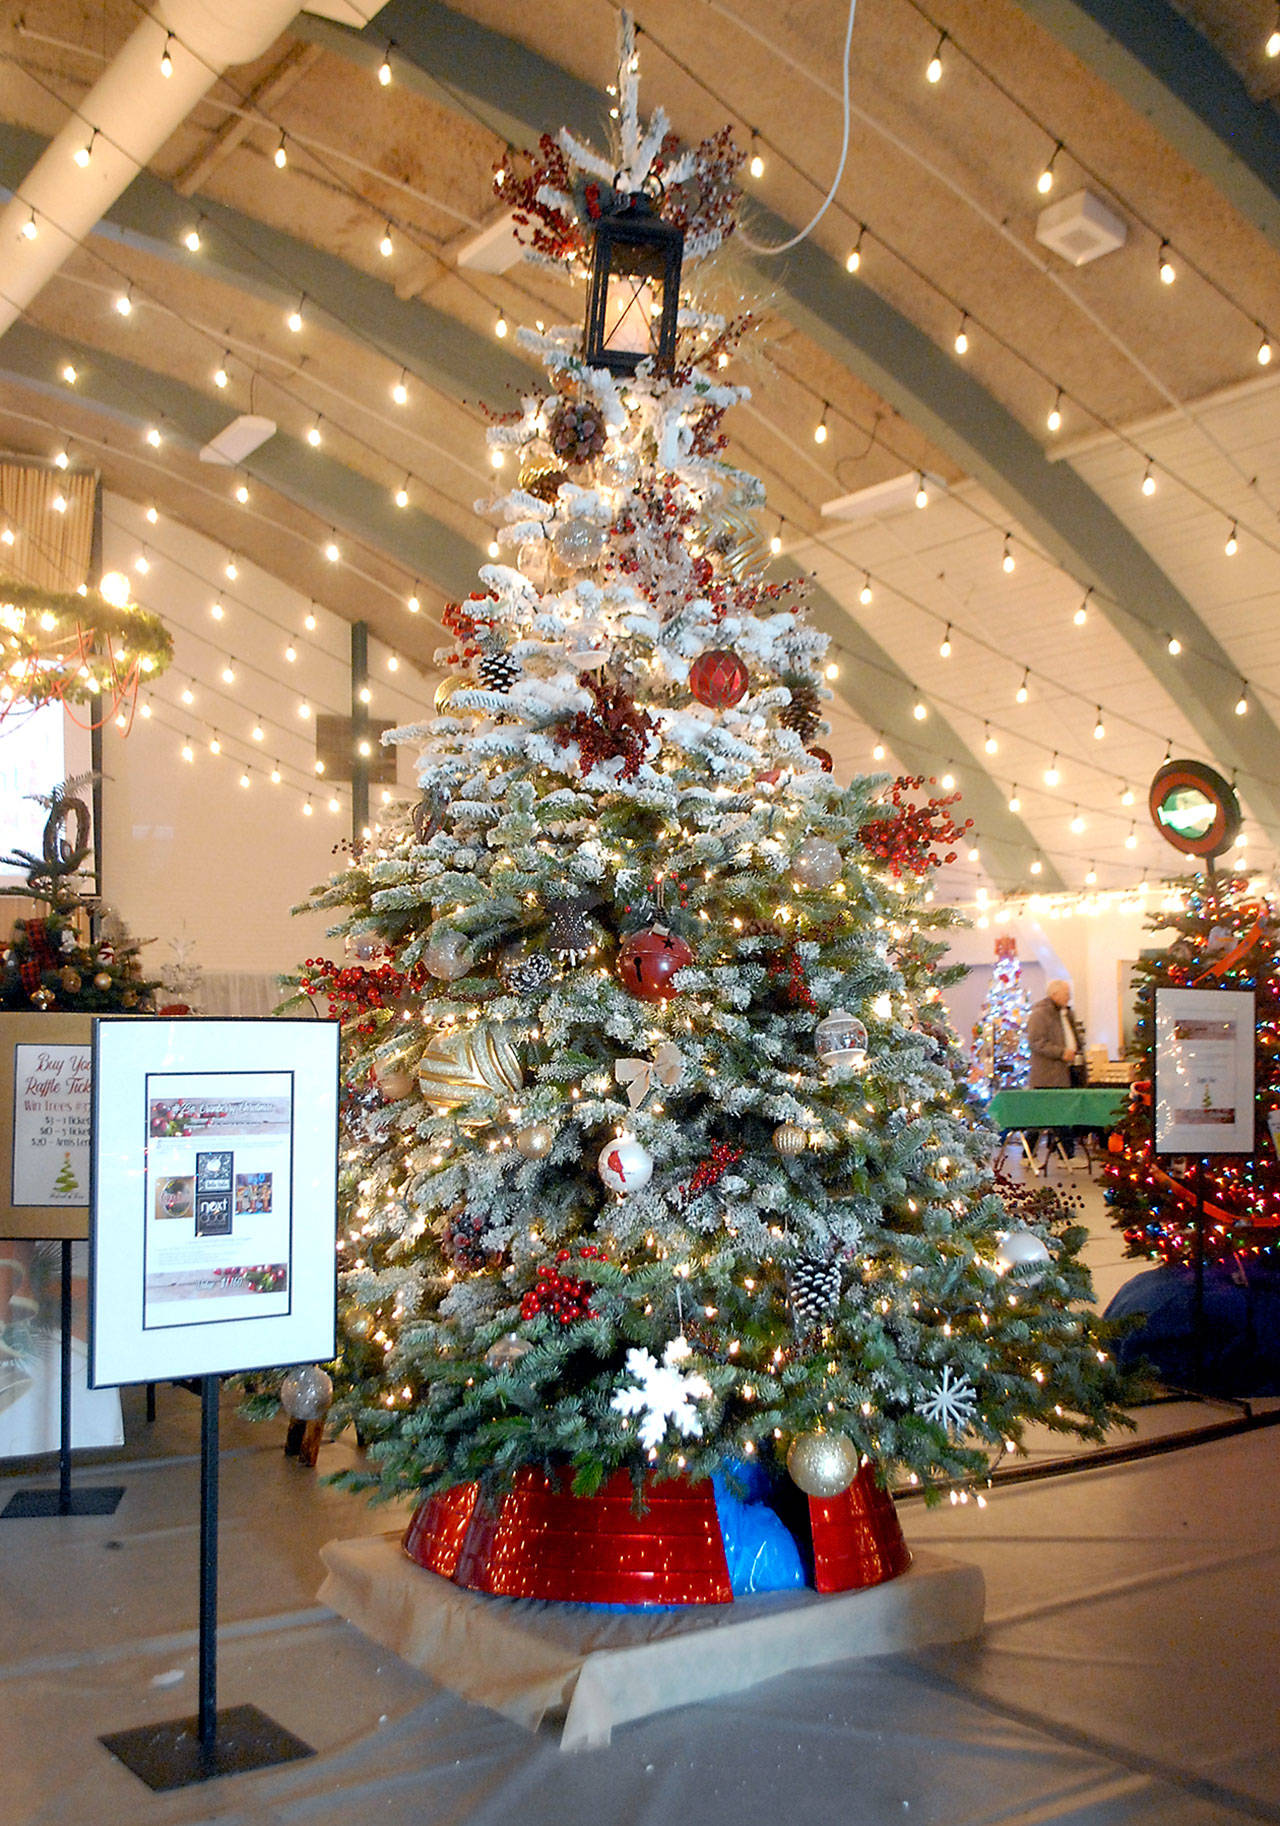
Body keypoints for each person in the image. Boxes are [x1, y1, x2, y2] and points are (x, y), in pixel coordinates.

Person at [1025, 979, 1086, 1162]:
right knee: (1049, 1115)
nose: (1069, 997)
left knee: (1060, 1113)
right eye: (1066, 993)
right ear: (1054, 994)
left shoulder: (1068, 1013)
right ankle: (1064, 1154)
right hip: (1048, 1075)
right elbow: (1036, 1042)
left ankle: (1062, 1154)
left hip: (1068, 1071)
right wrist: (1061, 1052)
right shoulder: (1040, 1014)